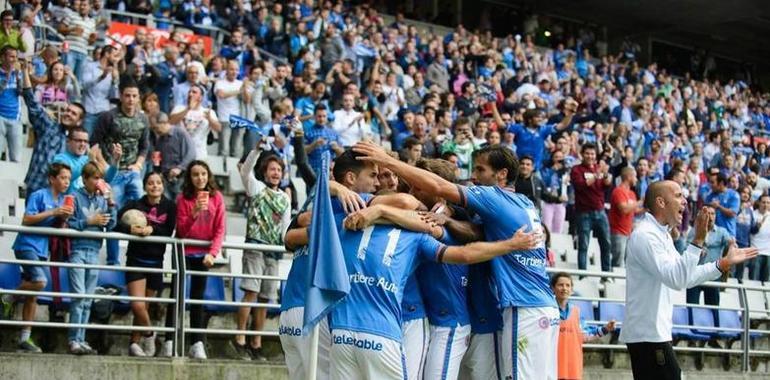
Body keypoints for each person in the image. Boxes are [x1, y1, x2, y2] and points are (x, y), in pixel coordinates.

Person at [353, 142, 558, 380]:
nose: (472, 176)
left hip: (522, 307)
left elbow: (439, 189)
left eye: (480, 170)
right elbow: (476, 229)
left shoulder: (494, 197)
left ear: (502, 174)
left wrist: (386, 165)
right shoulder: (523, 202)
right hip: (538, 305)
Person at [620, 180, 757, 379]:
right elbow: (677, 278)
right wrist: (698, 240)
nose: (684, 201)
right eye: (678, 196)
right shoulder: (645, 236)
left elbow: (685, 277)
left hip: (653, 334)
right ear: (661, 202)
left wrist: (722, 264)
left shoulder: (662, 235)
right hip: (647, 335)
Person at [1, 163, 73, 353]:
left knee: (33, 294)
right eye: (63, 177)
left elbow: (57, 228)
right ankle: (7, 296)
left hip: (42, 249)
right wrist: (53, 212)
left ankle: (25, 339)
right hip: (26, 245)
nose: (66, 182)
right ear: (52, 179)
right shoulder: (39, 195)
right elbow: (27, 219)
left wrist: (64, 219)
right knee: (40, 281)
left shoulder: (63, 201)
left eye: (68, 178)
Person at [232, 146, 291, 361]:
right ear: (265, 172)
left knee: (265, 298)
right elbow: (246, 170)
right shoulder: (256, 187)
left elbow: (285, 227)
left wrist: (287, 247)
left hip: (273, 251)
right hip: (255, 246)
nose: (275, 173)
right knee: (251, 292)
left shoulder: (285, 198)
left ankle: (256, 342)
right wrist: (255, 150)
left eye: (279, 170)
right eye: (272, 169)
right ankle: (239, 337)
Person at [163, 160, 225, 359]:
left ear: (208, 176)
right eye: (196, 174)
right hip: (183, 250)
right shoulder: (183, 198)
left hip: (204, 253)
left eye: (204, 174)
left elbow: (220, 229)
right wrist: (195, 212)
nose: (200, 178)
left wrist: (213, 253)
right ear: (190, 178)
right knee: (177, 295)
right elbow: (180, 231)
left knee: (198, 298)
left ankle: (196, 342)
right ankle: (169, 340)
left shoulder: (217, 198)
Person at [115, 171, 176, 357]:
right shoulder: (135, 204)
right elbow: (116, 223)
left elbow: (168, 231)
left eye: (158, 182)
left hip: (156, 262)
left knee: (145, 307)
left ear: (163, 186)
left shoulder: (170, 206)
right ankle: (150, 335)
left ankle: (134, 343)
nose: (155, 186)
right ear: (145, 186)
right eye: (150, 183)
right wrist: (130, 229)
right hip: (136, 260)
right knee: (138, 305)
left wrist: (152, 229)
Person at [91, 79, 150, 265]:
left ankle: (140, 257)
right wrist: (104, 165)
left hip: (133, 172)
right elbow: (94, 143)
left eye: (134, 96)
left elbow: (144, 147)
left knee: (144, 209)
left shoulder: (143, 119)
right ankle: (112, 261)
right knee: (113, 214)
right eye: (127, 96)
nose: (130, 100)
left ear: (139, 98)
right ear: (121, 97)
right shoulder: (108, 116)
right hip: (113, 173)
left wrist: (139, 164)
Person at [66, 162, 117, 355]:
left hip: (95, 251)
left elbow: (111, 225)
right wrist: (89, 222)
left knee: (88, 300)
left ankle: (81, 338)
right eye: (94, 178)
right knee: (79, 297)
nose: (98, 182)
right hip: (77, 251)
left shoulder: (102, 199)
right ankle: (73, 339)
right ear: (85, 179)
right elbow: (68, 223)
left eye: (100, 178)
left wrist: (111, 203)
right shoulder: (75, 197)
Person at [21, 58, 86, 194]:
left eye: (73, 113)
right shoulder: (49, 125)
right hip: (38, 187)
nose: (67, 114)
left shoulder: (81, 142)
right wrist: (25, 72)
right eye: (67, 110)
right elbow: (32, 103)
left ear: (79, 121)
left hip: (63, 197)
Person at [551, 272, 616, 380]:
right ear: (553, 288)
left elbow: (585, 334)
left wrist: (605, 329)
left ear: (571, 290)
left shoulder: (576, 312)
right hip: (552, 367)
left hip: (573, 367)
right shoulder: (548, 311)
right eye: (560, 285)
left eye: (568, 285)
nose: (564, 288)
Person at [570, 143, 613, 273]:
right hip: (583, 213)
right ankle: (583, 274)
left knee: (606, 244)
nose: (590, 156)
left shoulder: (598, 168)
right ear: (582, 155)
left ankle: (606, 274)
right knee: (583, 245)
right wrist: (596, 174)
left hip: (600, 211)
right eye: (587, 153)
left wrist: (605, 176)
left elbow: (606, 186)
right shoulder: (576, 169)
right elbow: (581, 185)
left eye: (592, 154)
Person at [147, 112, 195, 200]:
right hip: (165, 178)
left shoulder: (180, 133)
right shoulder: (159, 140)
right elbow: (156, 159)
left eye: (156, 128)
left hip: (181, 178)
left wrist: (179, 168)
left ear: (164, 123)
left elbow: (191, 153)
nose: (155, 131)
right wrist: (157, 172)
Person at [169, 84, 221, 160]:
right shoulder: (178, 108)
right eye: (189, 92)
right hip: (179, 153)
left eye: (194, 92)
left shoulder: (208, 112)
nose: (190, 94)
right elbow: (171, 122)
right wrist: (188, 109)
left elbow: (218, 129)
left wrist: (209, 119)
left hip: (199, 154)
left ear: (201, 97)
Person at [609, 167, 639, 268]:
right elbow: (624, 209)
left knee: (627, 262)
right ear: (629, 176)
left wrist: (647, 208)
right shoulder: (618, 191)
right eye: (635, 176)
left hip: (628, 232)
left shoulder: (632, 194)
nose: (636, 179)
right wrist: (640, 202)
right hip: (618, 231)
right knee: (618, 260)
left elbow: (634, 210)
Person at [0, 46, 23, 162]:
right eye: (11, 57)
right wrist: (8, 76)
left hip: (15, 117)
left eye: (16, 57)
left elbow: (22, 92)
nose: (15, 60)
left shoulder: (18, 74)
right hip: (0, 117)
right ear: (3, 58)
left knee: (16, 158)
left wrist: (19, 78)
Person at [751, 194, 770, 281]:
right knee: (754, 281)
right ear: (759, 203)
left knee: (766, 282)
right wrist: (757, 226)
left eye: (768, 203)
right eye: (763, 202)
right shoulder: (753, 214)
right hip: (755, 252)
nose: (765, 205)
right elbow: (751, 231)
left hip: (768, 253)